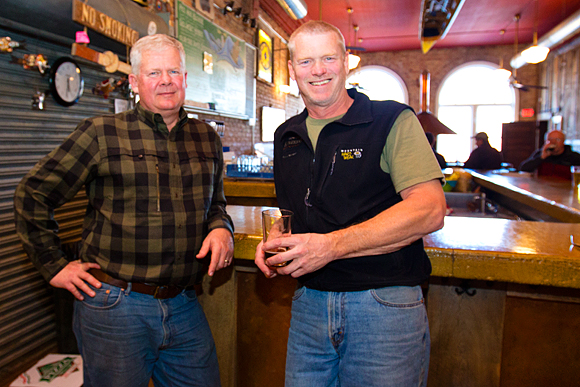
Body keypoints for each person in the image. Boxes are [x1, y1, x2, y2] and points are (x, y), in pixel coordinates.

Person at [14, 34, 234, 387]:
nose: (166, 80)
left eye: (174, 71)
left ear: (185, 78)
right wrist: (53, 266)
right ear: (134, 82)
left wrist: (221, 227)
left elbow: (216, 203)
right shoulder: (101, 133)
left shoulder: (205, 137)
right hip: (116, 306)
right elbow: (33, 194)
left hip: (184, 304)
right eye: (154, 73)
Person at [254, 21, 446, 387]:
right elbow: (301, 211)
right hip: (309, 303)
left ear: (346, 62)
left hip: (383, 304)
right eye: (306, 61)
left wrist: (330, 246)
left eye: (328, 58)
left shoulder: (391, 119)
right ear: (292, 70)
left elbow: (430, 209)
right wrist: (278, 238)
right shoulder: (286, 135)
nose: (319, 70)